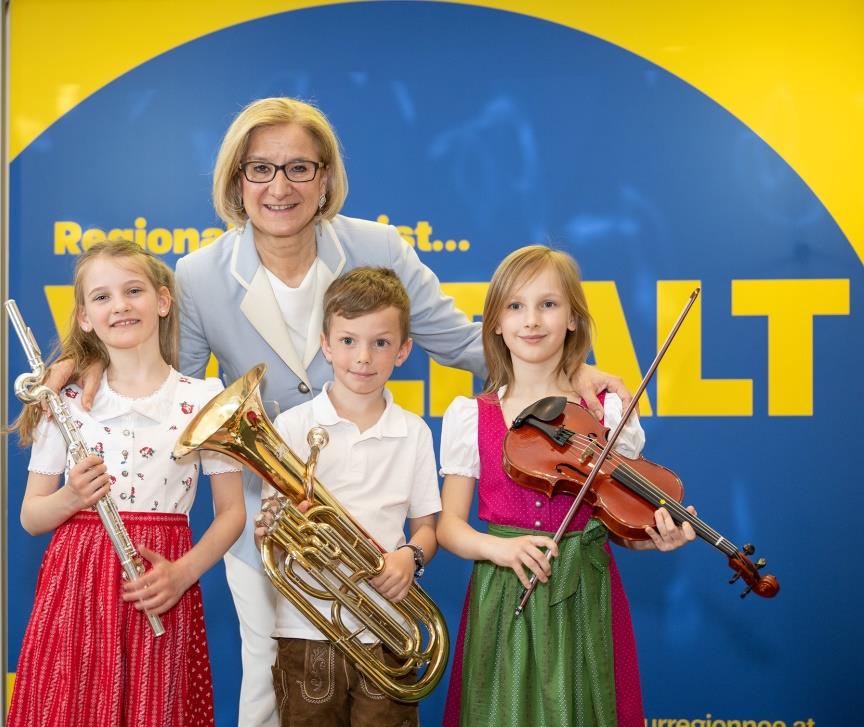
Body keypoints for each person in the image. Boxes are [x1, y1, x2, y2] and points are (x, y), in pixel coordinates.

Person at [53, 97, 630, 726]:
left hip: (373, 515)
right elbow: (172, 384)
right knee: (265, 681)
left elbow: (468, 344)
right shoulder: (197, 275)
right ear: (236, 181)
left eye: (300, 167)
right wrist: (82, 360)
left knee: (375, 684)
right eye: (260, 169)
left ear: (325, 177)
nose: (280, 187)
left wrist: (571, 370)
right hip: (265, 517)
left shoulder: (377, 245)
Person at [436, 245, 696, 727]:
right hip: (504, 593)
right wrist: (499, 550)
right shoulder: (471, 415)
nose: (531, 320)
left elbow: (623, 521)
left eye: (548, 304)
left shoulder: (605, 411)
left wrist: (657, 538)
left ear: (573, 318)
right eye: (515, 306)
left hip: (586, 593)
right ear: (494, 322)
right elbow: (449, 526)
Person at [6, 240, 245, 727]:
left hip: (160, 581)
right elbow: (32, 516)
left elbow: (231, 512)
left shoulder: (206, 397)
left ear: (162, 301)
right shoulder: (65, 401)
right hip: (78, 584)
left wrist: (183, 573)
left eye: (133, 290)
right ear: (84, 318)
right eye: (101, 297)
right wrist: (71, 498)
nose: (119, 305)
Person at [256, 267, 440, 726]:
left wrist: (410, 558)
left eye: (380, 343)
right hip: (306, 629)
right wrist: (278, 530)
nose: (363, 357)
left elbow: (427, 529)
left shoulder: (414, 432)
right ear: (325, 344)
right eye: (348, 341)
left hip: (389, 629)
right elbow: (272, 531)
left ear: (403, 351)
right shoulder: (294, 428)